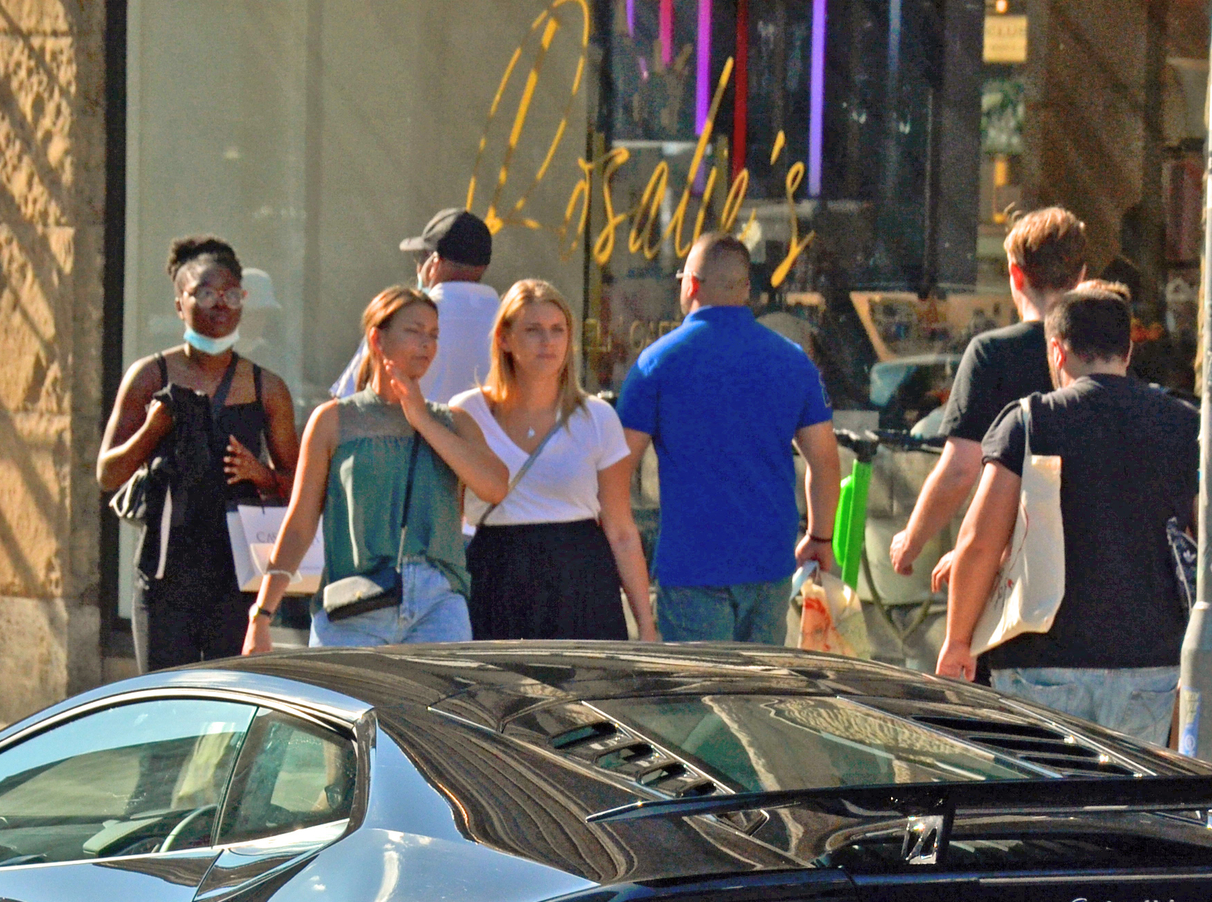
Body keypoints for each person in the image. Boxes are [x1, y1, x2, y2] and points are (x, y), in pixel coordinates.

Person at [931, 284, 1198, 743]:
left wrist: (957, 642)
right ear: (1128, 351)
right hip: (1149, 662)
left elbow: (979, 543)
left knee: (1043, 805)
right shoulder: (1180, 423)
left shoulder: (1031, 422)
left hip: (1041, 656)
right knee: (1124, 810)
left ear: (1057, 351)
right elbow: (1209, 537)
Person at [244, 288, 508, 651]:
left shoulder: (452, 421)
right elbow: (301, 522)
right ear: (377, 338)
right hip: (354, 602)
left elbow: (495, 487)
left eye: (434, 335)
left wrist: (421, 419)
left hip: (438, 605)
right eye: (415, 331)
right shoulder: (334, 420)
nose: (426, 344)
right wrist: (262, 614)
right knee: (343, 709)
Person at [616, 234, 840, 645]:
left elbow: (615, 470)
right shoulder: (792, 360)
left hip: (692, 568)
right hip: (770, 565)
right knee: (756, 699)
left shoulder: (657, 363)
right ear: (746, 291)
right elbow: (825, 460)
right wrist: (820, 537)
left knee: (699, 702)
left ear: (691, 285)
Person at [96, 235, 299, 669]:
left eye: (230, 294)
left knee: (228, 704)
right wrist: (153, 430)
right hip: (165, 576)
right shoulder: (150, 376)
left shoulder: (268, 387)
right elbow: (108, 474)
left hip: (237, 579)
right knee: (164, 705)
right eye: (204, 293)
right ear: (179, 304)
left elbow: (300, 488)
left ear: (243, 301)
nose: (219, 305)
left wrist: (260, 473)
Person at [888, 207, 1088, 590]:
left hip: (1013, 574)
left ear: (1015, 274)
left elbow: (960, 469)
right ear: (1080, 276)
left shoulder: (992, 354)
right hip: (1092, 559)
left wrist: (911, 541)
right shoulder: (1104, 350)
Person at [453, 279, 655, 641]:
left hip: (580, 580)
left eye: (557, 330)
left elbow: (622, 531)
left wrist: (647, 627)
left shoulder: (597, 417)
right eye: (533, 330)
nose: (548, 342)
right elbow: (450, 520)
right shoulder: (467, 413)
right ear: (504, 338)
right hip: (496, 573)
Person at [330, 210, 500, 405]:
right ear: (484, 267)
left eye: (420, 257)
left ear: (433, 262)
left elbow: (345, 403)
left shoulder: (401, 316)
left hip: (407, 433)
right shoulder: (514, 320)